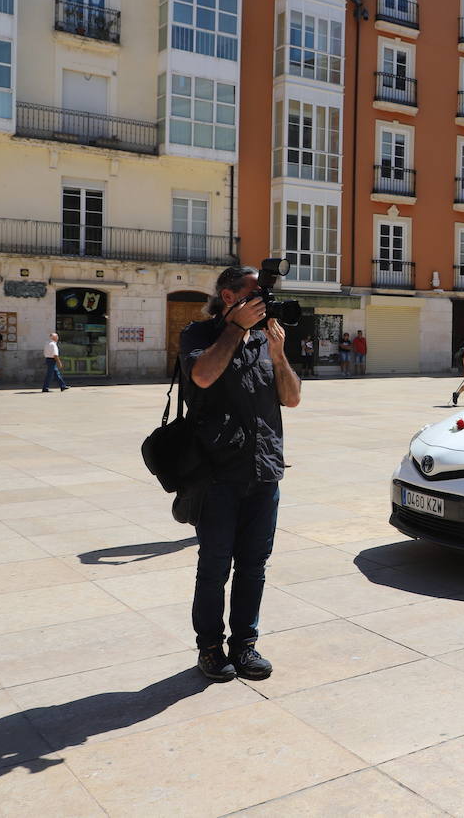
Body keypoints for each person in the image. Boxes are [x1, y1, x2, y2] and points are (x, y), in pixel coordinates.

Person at [178, 266, 302, 683]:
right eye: (254, 296)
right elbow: (203, 375)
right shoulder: (199, 335)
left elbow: (292, 398)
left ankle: (244, 644)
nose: (263, 305)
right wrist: (233, 331)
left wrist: (279, 354)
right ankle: (210, 647)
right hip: (216, 475)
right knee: (214, 567)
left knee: (254, 566)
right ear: (230, 298)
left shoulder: (268, 341)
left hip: (265, 470)